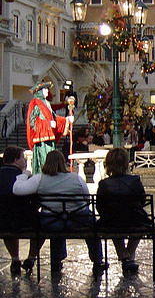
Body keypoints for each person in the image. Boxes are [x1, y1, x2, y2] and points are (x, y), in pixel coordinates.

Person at [13, 150, 107, 275]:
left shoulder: (39, 179)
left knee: (57, 220)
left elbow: (17, 190)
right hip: (78, 222)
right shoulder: (76, 178)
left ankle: (55, 259)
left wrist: (24, 175)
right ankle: (97, 260)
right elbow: (86, 198)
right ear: (63, 163)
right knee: (90, 224)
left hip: (51, 222)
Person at [96, 148, 151, 274]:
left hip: (111, 222)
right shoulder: (135, 181)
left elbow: (100, 206)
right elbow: (142, 201)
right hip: (134, 221)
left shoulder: (104, 184)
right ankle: (128, 257)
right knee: (136, 221)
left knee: (114, 219)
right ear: (126, 164)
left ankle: (124, 256)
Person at [0, 146, 40, 275]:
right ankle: (31, 257)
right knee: (42, 223)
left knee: (7, 221)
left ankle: (15, 258)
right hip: (23, 221)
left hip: (2, 220)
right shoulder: (24, 177)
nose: (24, 161)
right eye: (23, 158)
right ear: (16, 160)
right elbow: (36, 201)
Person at [26, 81, 73, 174]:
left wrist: (66, 120)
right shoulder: (35, 103)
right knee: (45, 159)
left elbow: (54, 118)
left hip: (49, 138)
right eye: (45, 89)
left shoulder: (46, 103)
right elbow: (32, 122)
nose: (48, 91)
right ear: (39, 91)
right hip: (42, 141)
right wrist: (48, 124)